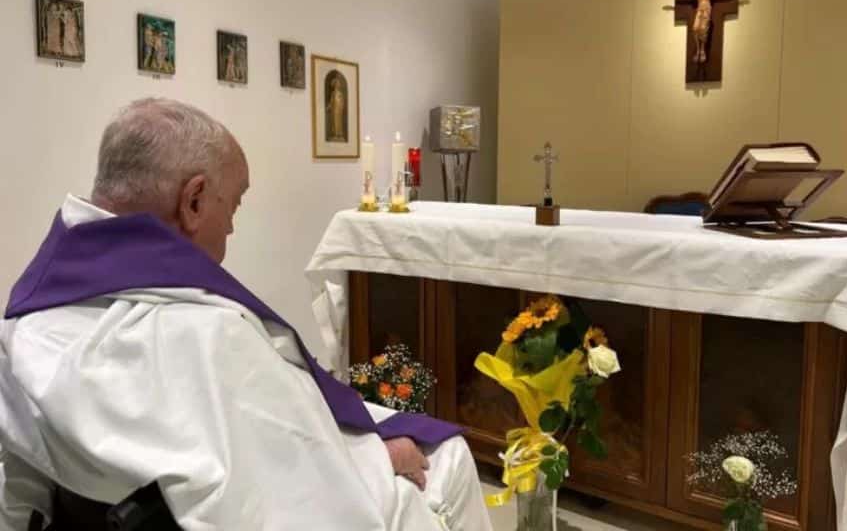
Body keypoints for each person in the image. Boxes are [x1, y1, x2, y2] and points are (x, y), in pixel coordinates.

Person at [0, 99, 491, 530]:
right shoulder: (207, 335)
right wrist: (377, 457)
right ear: (193, 202)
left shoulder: (29, 315)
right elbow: (292, 479)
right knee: (447, 458)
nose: (232, 227)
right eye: (233, 204)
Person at [664, 0, 744, 63]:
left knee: (703, 29)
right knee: (695, 29)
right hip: (699, 9)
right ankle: (698, 50)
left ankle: (702, 50)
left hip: (707, 8)